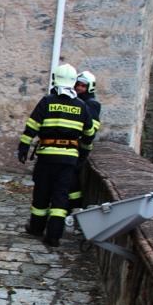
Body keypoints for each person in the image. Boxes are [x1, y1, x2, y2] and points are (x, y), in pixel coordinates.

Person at [17, 63, 96, 247]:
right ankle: (54, 236)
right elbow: (89, 134)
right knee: (61, 195)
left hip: (47, 157)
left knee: (42, 192)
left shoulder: (47, 101)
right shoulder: (81, 106)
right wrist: (83, 154)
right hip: (68, 159)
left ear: (55, 79)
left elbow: (32, 126)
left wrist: (23, 147)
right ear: (73, 82)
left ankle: (36, 228)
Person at [68, 70, 101, 211]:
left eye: (83, 86)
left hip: (81, 147)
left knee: (72, 178)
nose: (79, 88)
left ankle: (74, 207)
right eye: (78, 85)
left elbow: (92, 128)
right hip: (74, 146)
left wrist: (82, 143)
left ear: (89, 88)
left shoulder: (91, 104)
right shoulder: (77, 101)